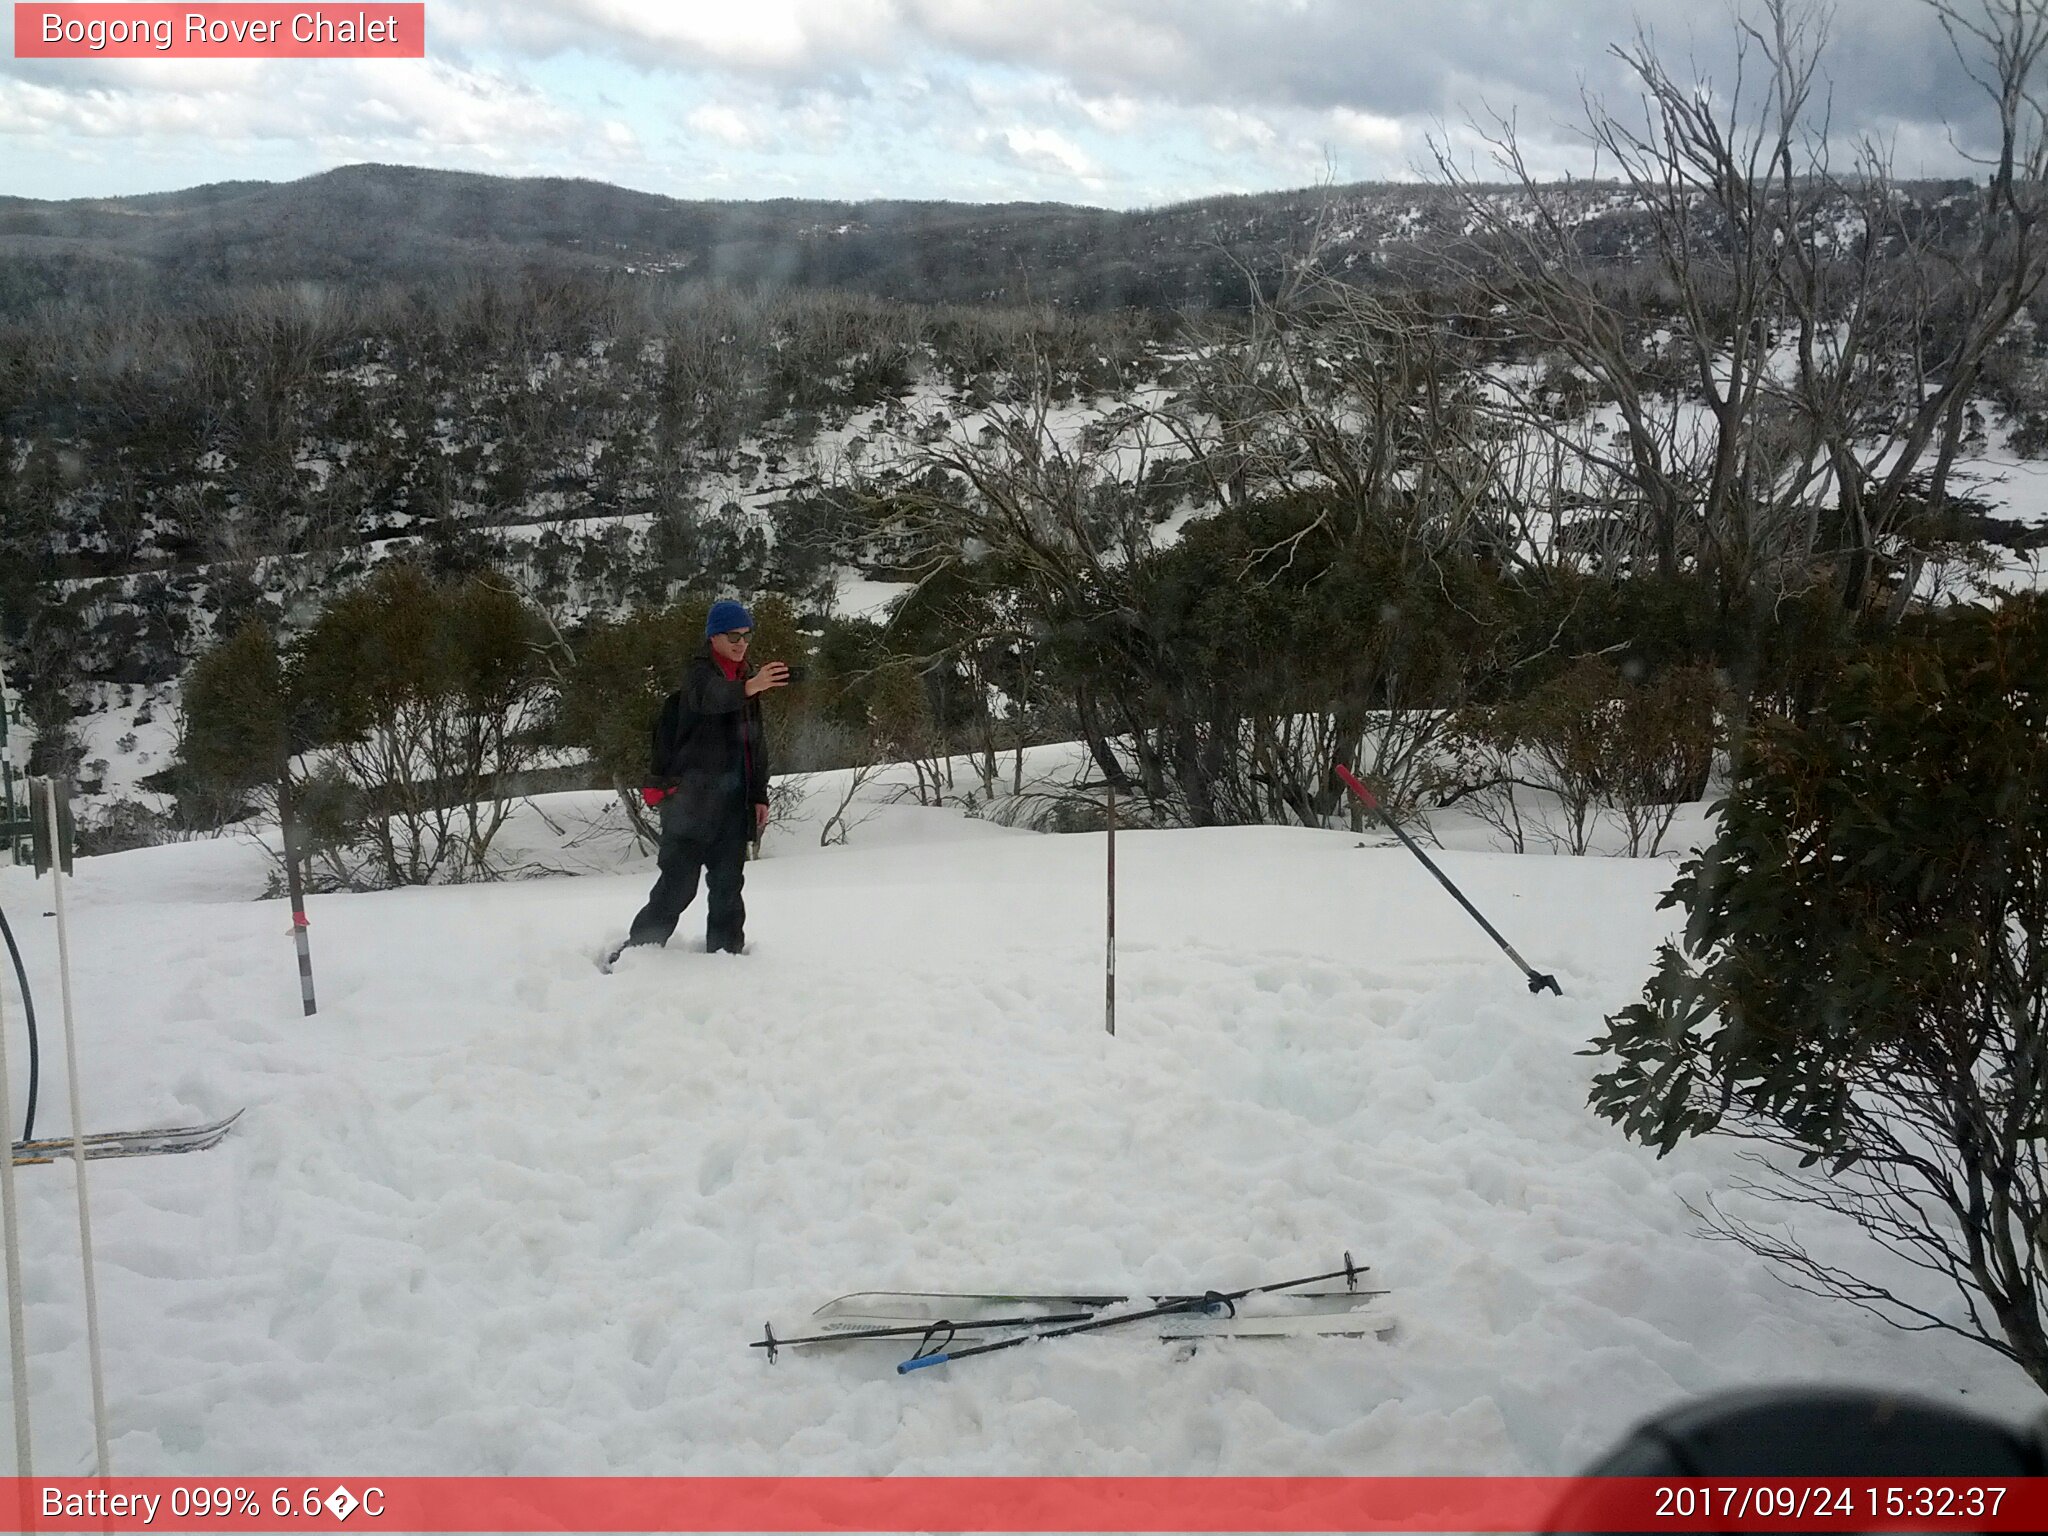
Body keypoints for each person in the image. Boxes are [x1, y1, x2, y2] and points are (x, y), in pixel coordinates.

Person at [609, 600, 789, 965]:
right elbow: (711, 700)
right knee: (677, 888)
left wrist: (758, 794)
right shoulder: (699, 677)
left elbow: (755, 746)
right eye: (733, 636)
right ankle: (636, 954)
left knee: (727, 890)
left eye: (747, 636)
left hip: (732, 807)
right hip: (688, 807)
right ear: (713, 638)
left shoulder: (744, 682)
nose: (741, 643)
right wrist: (749, 687)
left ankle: (726, 960)